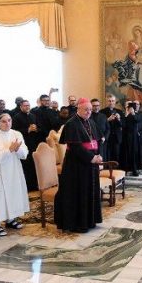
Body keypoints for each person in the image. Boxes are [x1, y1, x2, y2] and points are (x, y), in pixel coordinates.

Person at [54, 98, 103, 233]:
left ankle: (90, 220)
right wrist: (92, 158)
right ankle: (78, 224)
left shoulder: (90, 122)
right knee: (79, 193)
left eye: (90, 110)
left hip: (91, 164)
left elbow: (97, 141)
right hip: (76, 165)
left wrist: (98, 155)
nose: (89, 112)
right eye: (86, 110)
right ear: (78, 109)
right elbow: (75, 147)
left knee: (89, 191)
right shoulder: (71, 124)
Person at [0, 113, 30, 236]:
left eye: (9, 120)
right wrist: (9, 149)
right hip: (0, 171)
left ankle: (10, 219)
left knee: (13, 194)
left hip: (14, 169)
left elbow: (25, 154)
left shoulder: (16, 134)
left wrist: (18, 149)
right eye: (4, 121)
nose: (7, 123)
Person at [11, 99, 40, 191]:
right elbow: (15, 131)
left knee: (33, 165)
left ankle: (34, 185)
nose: (27, 107)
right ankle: (27, 186)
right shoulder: (16, 117)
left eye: (28, 105)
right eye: (25, 105)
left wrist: (36, 129)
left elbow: (39, 127)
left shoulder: (33, 116)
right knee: (26, 166)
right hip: (23, 144)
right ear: (21, 107)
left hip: (33, 144)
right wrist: (28, 130)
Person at [120, 101, 142, 176]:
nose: (129, 108)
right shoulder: (123, 115)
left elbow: (137, 120)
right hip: (125, 137)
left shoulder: (136, 114)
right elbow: (122, 125)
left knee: (134, 153)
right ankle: (126, 169)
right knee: (126, 153)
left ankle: (134, 169)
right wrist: (126, 116)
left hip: (134, 137)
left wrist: (133, 113)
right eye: (128, 107)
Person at [100, 94, 124, 163]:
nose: (111, 103)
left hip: (117, 137)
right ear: (106, 102)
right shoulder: (102, 112)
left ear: (115, 101)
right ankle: (107, 168)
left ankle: (116, 169)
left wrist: (119, 119)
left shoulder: (119, 111)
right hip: (107, 137)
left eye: (113, 101)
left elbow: (123, 125)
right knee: (107, 155)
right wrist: (107, 120)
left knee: (117, 155)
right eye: (109, 101)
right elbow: (100, 125)